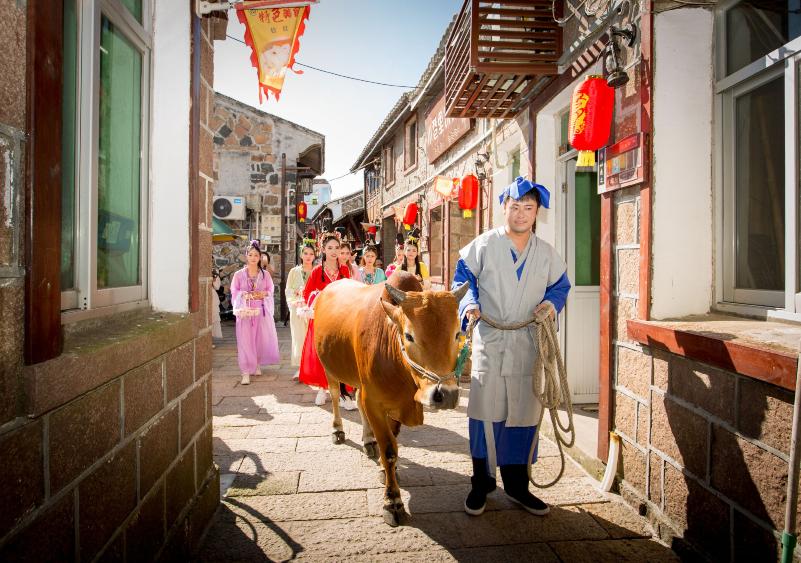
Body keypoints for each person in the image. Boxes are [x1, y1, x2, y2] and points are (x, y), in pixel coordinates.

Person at [452, 176, 571, 518]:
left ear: (537, 213)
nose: (520, 214)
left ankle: (518, 486)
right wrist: (470, 305)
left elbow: (560, 288)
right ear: (504, 208)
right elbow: (463, 279)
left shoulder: (547, 254)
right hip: (490, 338)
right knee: (484, 412)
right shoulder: (484, 245)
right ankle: (481, 483)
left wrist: (550, 305)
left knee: (524, 412)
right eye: (515, 207)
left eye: (528, 208)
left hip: (529, 343)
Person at [298, 232, 357, 410]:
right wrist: (319, 296)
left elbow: (351, 292)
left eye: (337, 248)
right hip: (322, 319)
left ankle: (343, 393)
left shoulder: (345, 270)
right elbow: (307, 293)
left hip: (340, 320)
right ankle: (322, 388)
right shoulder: (317, 271)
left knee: (340, 356)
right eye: (329, 248)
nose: (333, 251)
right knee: (321, 355)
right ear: (323, 249)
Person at [230, 240, 281, 385]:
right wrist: (243, 295)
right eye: (250, 255)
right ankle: (245, 371)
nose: (253, 258)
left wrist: (262, 295)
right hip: (245, 310)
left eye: (256, 255)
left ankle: (257, 363)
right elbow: (234, 291)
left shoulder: (265, 275)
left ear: (260, 258)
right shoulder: (239, 275)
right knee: (244, 340)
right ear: (246, 256)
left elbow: (270, 290)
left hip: (260, 310)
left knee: (259, 339)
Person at [286, 241, 316, 380]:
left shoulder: (317, 271)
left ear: (315, 256)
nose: (308, 256)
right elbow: (288, 290)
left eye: (311, 254)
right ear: (301, 255)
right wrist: (295, 297)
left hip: (312, 309)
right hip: (297, 308)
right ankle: (300, 368)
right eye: (305, 253)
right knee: (298, 338)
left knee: (312, 338)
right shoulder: (294, 271)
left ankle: (311, 368)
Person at [211, 269, 223, 346]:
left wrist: (214, 279)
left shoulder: (214, 271)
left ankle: (210, 340)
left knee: (213, 316)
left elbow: (217, 287)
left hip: (212, 295)